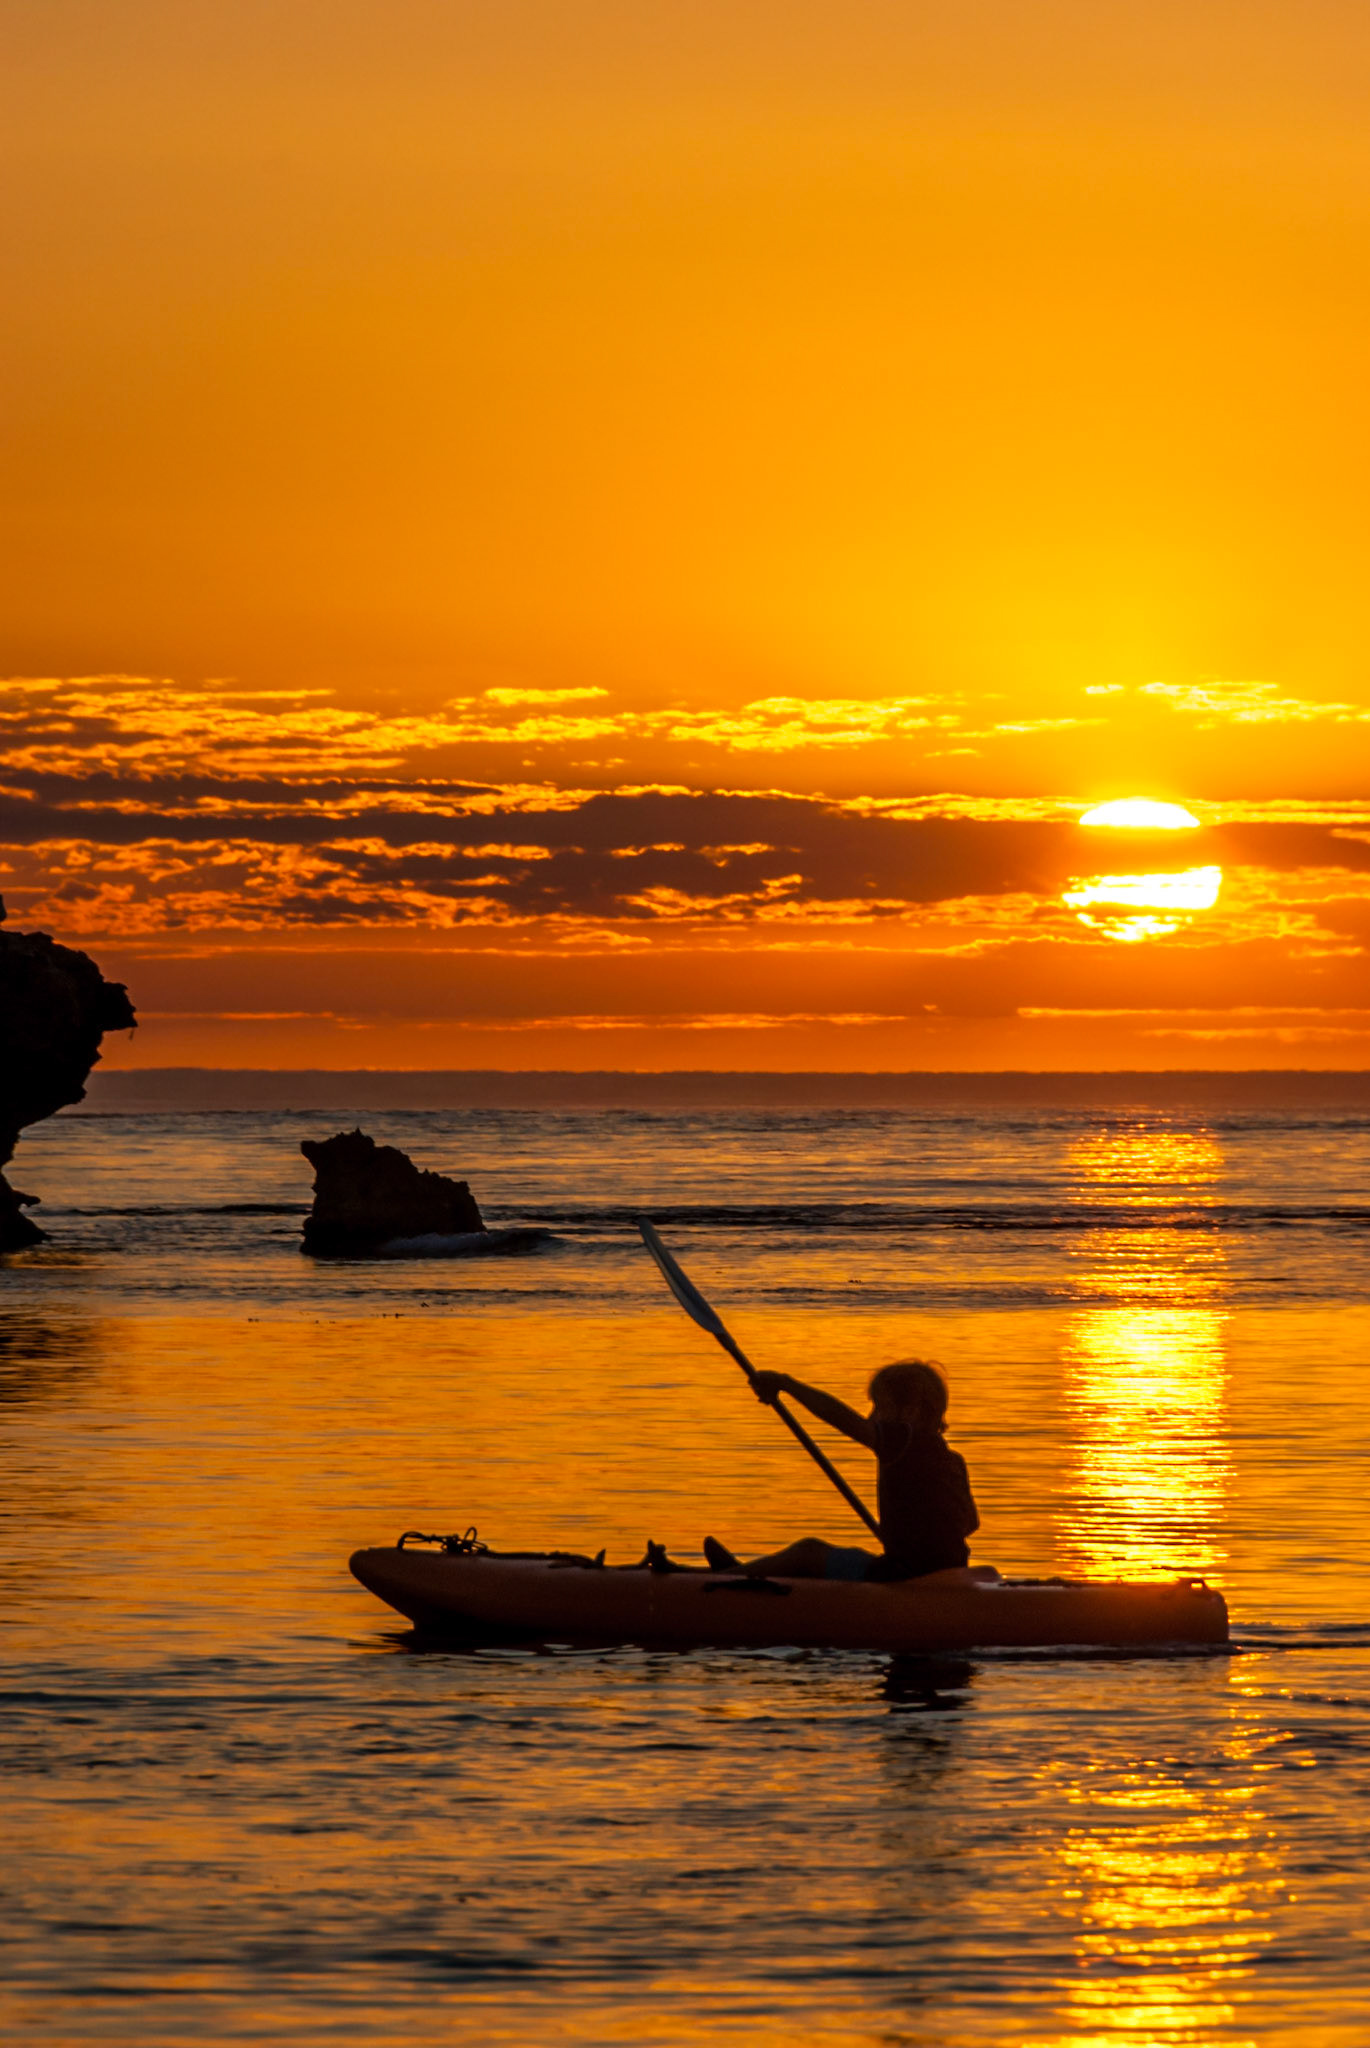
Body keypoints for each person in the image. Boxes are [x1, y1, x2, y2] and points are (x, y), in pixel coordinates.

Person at [703, 1357, 979, 1582]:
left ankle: (723, 1582)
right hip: (951, 1570)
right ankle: (737, 1572)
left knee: (808, 1552)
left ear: (910, 1412)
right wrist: (910, 1531)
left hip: (908, 1575)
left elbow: (849, 1423)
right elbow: (970, 1524)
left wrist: (789, 1385)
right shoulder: (954, 1460)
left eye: (879, 1407)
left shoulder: (902, 1439)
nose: (872, 1416)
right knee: (826, 1557)